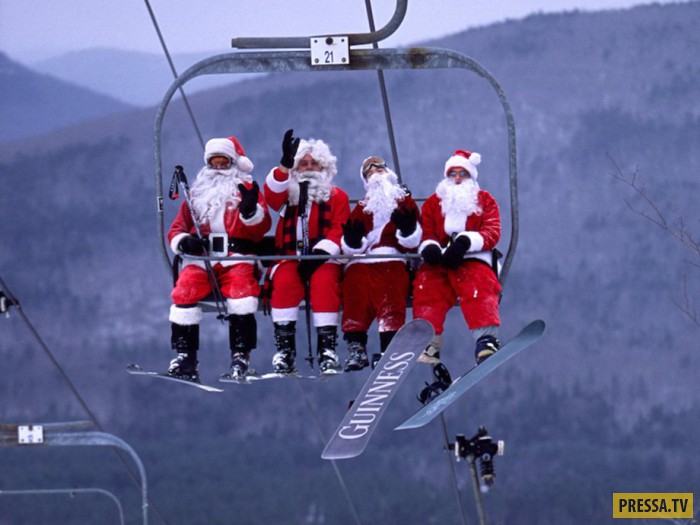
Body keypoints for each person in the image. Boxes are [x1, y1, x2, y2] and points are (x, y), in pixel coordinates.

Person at [167, 136, 272, 381]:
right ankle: (185, 357)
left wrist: (250, 212)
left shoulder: (247, 190)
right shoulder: (196, 195)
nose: (219, 167)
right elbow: (177, 228)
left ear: (233, 163)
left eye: (223, 161)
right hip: (202, 259)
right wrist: (185, 241)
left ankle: (241, 355)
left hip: (237, 257)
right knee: (184, 290)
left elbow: (262, 227)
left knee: (242, 294)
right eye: (214, 162)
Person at [263, 130, 350, 374]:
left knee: (325, 283)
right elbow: (271, 195)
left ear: (324, 168)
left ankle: (327, 348)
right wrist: (283, 166)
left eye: (314, 163)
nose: (309, 168)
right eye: (303, 164)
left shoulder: (337, 197)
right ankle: (285, 349)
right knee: (284, 282)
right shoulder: (288, 195)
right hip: (290, 256)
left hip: (323, 258)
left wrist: (321, 253)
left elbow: (340, 228)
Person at [413, 149, 502, 374]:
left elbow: (492, 231)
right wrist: (430, 247)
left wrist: (465, 242)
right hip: (442, 258)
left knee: (477, 286)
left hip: (473, 257)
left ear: (471, 176)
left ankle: (486, 340)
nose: (458, 178)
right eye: (453, 173)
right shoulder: (434, 203)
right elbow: (426, 232)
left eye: (463, 173)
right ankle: (429, 340)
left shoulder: (484, 200)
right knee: (427, 286)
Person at [340, 156, 421, 371]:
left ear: (388, 173)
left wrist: (408, 231)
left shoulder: (404, 202)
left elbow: (414, 242)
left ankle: (389, 341)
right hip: (366, 257)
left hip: (393, 256)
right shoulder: (362, 207)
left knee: (391, 288)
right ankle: (356, 344)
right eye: (370, 173)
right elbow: (350, 242)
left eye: (379, 170)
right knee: (355, 284)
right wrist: (353, 241)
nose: (375, 175)